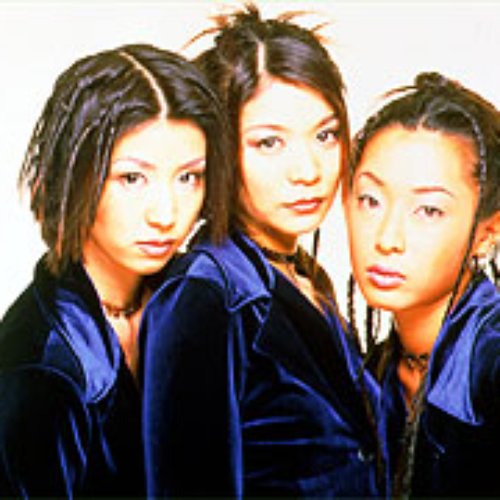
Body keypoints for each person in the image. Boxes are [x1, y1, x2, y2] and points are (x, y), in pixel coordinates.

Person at [142, 4, 381, 497]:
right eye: (270, 143)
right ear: (219, 150)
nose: (308, 171)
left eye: (325, 135)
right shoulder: (205, 297)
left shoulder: (304, 275)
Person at [0, 43, 230, 496]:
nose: (166, 214)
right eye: (131, 178)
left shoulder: (193, 301)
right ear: (72, 175)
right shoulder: (42, 369)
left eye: (188, 178)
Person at [345, 71, 500, 497]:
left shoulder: (489, 364)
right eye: (370, 200)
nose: (387, 238)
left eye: (429, 211)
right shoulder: (376, 372)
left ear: (487, 233)